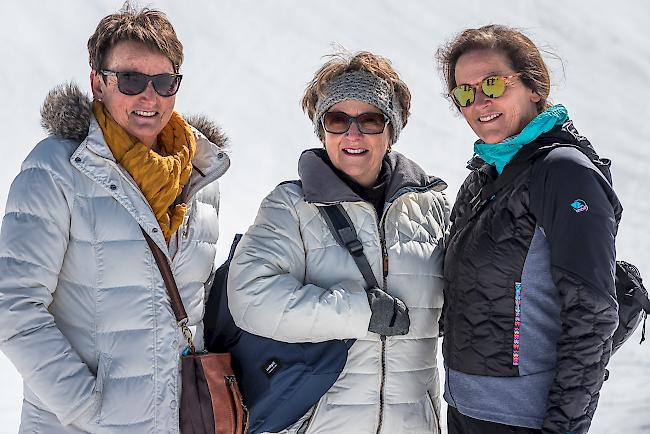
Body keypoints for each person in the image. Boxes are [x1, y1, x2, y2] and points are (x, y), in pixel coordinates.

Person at [0, 4, 229, 433]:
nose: (149, 97)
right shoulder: (57, 169)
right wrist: (88, 409)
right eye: (131, 80)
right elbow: (13, 306)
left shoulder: (200, 178)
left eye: (163, 82)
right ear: (97, 83)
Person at [227, 51, 450, 433]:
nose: (353, 134)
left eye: (370, 120)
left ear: (391, 129)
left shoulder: (431, 208)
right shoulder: (291, 208)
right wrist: (359, 313)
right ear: (321, 129)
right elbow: (250, 297)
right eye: (337, 120)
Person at [436, 25, 622, 434]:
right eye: (464, 93)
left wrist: (563, 428)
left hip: (524, 421)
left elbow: (591, 315)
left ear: (534, 86)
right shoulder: (486, 174)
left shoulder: (563, 172)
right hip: (464, 410)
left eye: (492, 83)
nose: (479, 101)